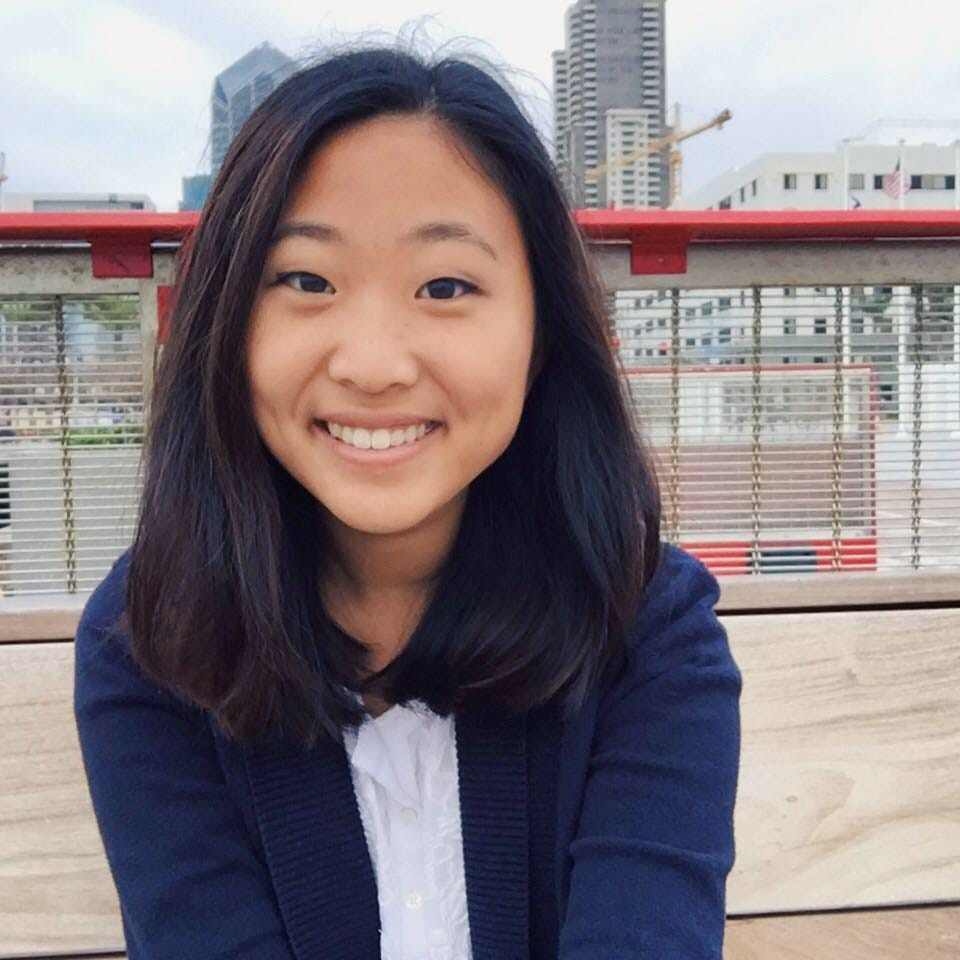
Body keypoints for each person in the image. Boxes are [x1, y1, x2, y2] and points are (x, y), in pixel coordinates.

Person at [73, 39, 742, 960]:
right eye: (306, 280)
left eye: (446, 286)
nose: (375, 365)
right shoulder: (154, 635)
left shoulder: (646, 625)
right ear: (227, 321)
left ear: (542, 333)